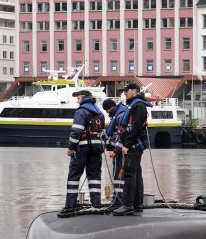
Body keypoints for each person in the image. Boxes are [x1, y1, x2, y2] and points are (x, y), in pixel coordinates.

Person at [113, 82, 153, 216]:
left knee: (129, 174)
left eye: (127, 90)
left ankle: (127, 205)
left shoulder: (138, 106)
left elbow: (135, 128)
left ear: (134, 91)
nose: (125, 93)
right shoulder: (136, 105)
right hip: (135, 145)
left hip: (134, 145)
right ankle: (137, 204)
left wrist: (127, 145)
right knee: (136, 173)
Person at [63, 89, 106, 212]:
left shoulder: (81, 111)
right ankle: (96, 204)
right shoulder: (100, 113)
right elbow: (102, 131)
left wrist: (71, 147)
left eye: (78, 98)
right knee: (95, 175)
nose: (77, 101)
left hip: (82, 147)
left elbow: (76, 131)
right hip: (97, 148)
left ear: (84, 97)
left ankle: (70, 205)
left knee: (74, 175)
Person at [102, 97, 125, 209]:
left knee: (119, 175)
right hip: (118, 151)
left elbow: (122, 136)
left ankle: (118, 200)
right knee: (119, 175)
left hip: (120, 152)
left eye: (107, 110)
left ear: (110, 108)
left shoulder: (120, 115)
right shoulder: (118, 114)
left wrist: (115, 150)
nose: (107, 113)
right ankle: (119, 199)